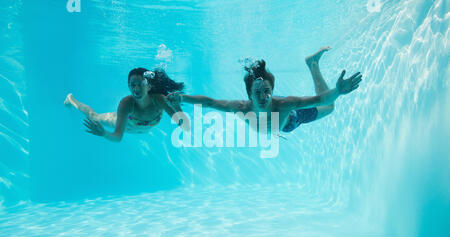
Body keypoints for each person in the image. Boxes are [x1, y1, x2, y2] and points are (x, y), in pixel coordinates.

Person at [167, 47, 362, 134]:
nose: (263, 97)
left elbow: (320, 99)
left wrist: (338, 91)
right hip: (279, 119)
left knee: (330, 107)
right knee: (328, 106)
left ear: (272, 89)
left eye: (266, 91)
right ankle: (311, 63)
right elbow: (209, 102)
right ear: (249, 94)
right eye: (257, 92)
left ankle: (313, 64)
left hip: (290, 121)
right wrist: (182, 97)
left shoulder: (285, 105)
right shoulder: (241, 107)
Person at [64, 68, 189, 142]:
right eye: (132, 85)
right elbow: (118, 137)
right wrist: (104, 134)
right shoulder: (126, 104)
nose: (136, 89)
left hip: (142, 131)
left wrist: (177, 106)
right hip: (117, 121)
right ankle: (71, 99)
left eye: (140, 84)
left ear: (149, 86)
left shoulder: (159, 100)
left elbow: (185, 126)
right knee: (93, 116)